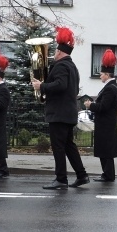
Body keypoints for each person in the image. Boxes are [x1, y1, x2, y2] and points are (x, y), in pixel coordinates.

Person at [31, 26, 90, 190]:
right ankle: (82, 175)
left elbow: (60, 85)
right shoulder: (72, 67)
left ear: (60, 52)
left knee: (58, 147)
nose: (54, 54)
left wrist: (42, 86)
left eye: (56, 51)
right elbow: (73, 89)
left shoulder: (61, 66)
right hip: (68, 112)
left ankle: (61, 179)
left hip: (59, 113)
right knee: (69, 145)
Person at [84, 49, 117, 182]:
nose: (100, 76)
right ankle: (107, 174)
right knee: (105, 150)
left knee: (106, 151)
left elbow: (103, 107)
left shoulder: (110, 88)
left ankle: (108, 175)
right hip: (107, 122)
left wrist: (90, 105)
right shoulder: (114, 86)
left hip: (105, 124)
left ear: (107, 74)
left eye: (101, 74)